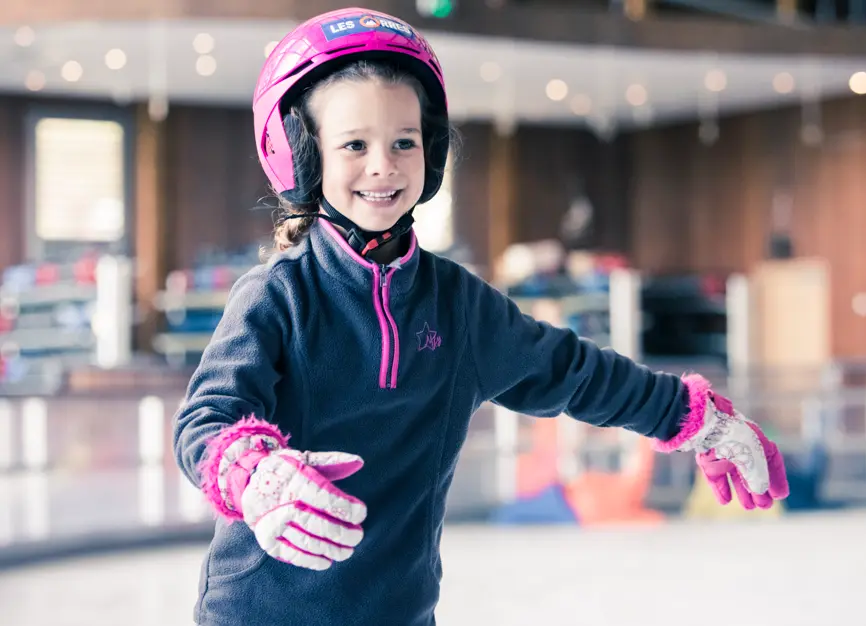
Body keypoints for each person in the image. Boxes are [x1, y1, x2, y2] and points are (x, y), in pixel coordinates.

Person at [172, 7, 789, 626]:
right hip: (258, 614)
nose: (383, 164)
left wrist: (694, 419)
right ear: (303, 157)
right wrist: (256, 473)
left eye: (403, 142)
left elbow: (573, 372)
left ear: (432, 151)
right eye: (354, 144)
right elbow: (205, 418)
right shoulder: (278, 296)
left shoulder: (459, 308)